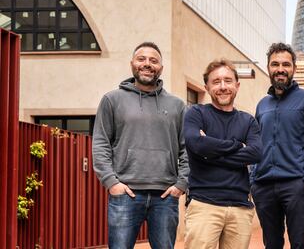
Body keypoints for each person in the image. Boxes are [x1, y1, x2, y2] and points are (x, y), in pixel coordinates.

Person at [92, 42, 188, 249]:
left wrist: (181, 185)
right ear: (132, 64)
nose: (147, 64)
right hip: (125, 194)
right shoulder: (112, 100)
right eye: (141, 59)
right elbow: (100, 143)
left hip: (165, 196)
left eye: (153, 61)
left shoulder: (177, 105)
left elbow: (186, 149)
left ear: (161, 68)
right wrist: (111, 182)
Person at [251, 43, 304, 249]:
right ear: (268, 68)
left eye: (286, 64)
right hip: (264, 186)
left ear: (294, 68)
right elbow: (255, 145)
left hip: (295, 185)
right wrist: (253, 180)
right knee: (271, 245)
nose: (280, 69)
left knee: (300, 244)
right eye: (275, 64)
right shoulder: (262, 105)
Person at [183, 59, 262, 249]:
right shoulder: (196, 113)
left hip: (240, 208)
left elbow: (256, 153)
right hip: (204, 205)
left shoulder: (248, 121)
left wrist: (210, 152)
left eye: (228, 80)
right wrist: (238, 146)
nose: (223, 86)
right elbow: (196, 144)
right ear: (207, 87)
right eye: (216, 81)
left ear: (237, 85)